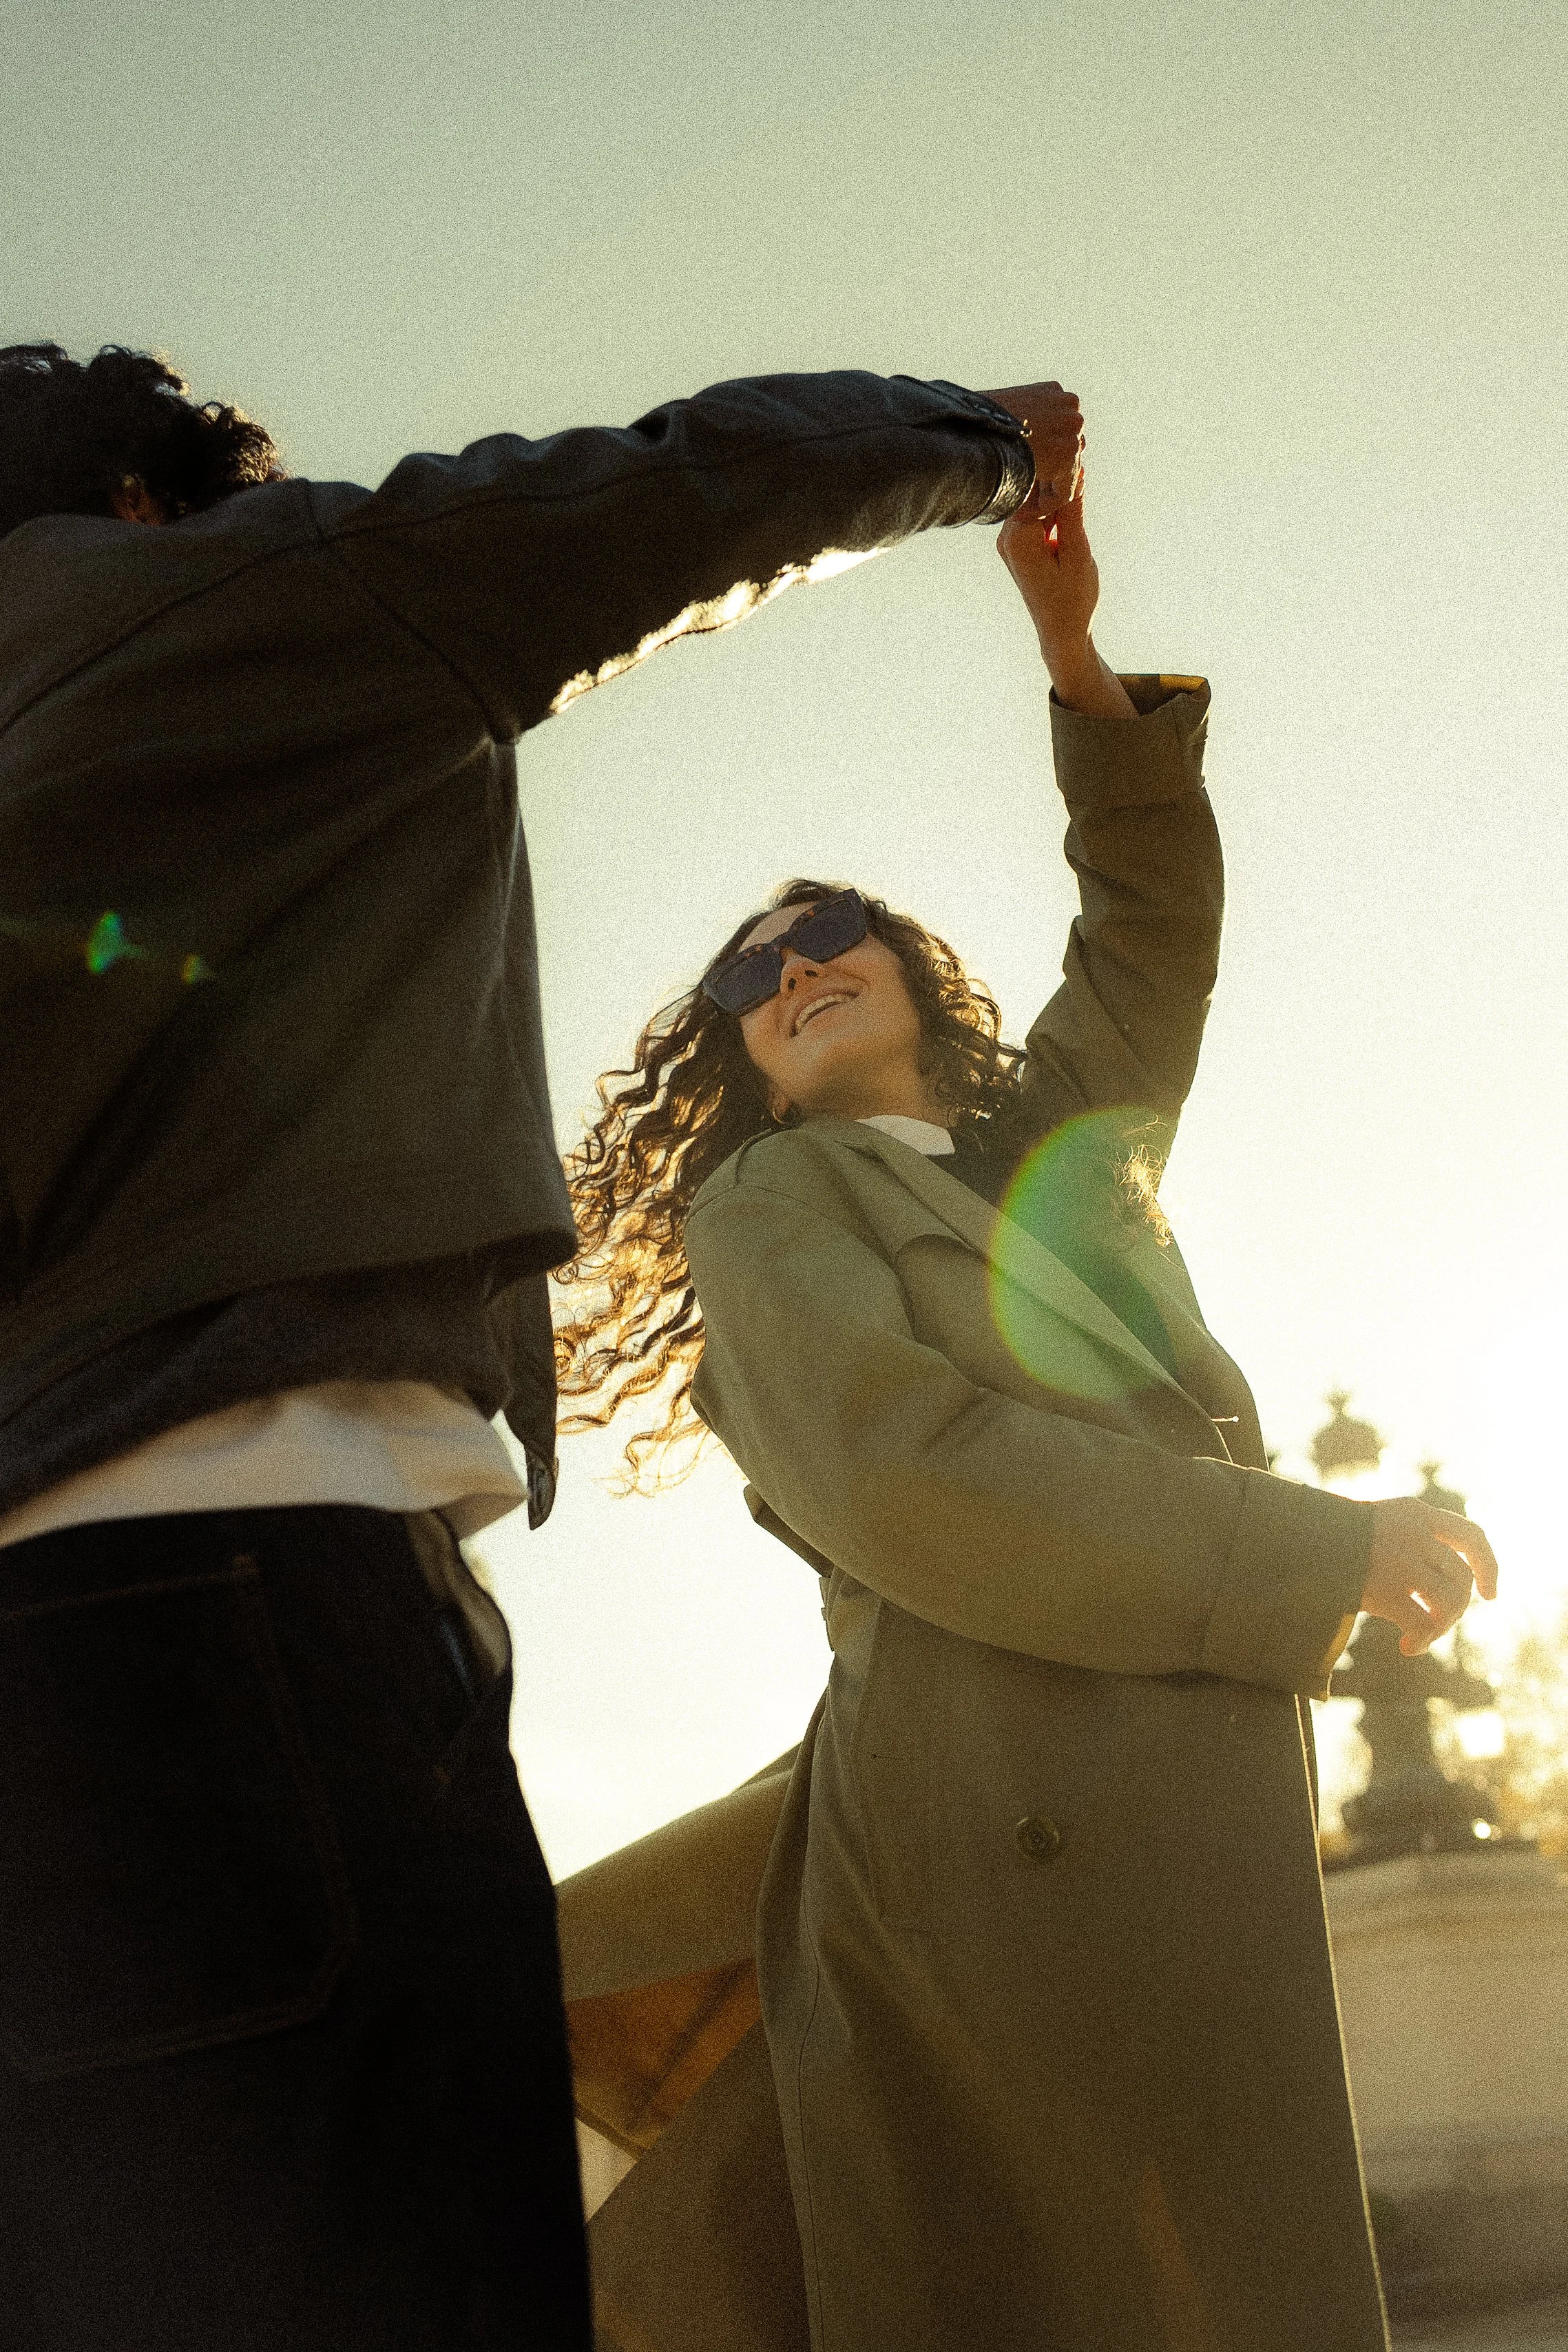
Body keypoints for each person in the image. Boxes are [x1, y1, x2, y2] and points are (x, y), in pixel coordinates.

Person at [0, 340, 1077, 2351]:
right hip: (244, 1600)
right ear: (154, 507)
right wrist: (985, 445)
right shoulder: (223, 598)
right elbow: (667, 493)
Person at [551, 466, 1500, 2350]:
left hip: (1172, 1765)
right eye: (753, 972)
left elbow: (1146, 941)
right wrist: (1324, 1541)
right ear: (733, 1056)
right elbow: (916, 1473)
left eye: (832, 930)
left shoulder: (1038, 1159)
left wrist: (1069, 650)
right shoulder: (773, 1202)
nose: (798, 963)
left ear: (915, 973)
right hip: (986, 1806)